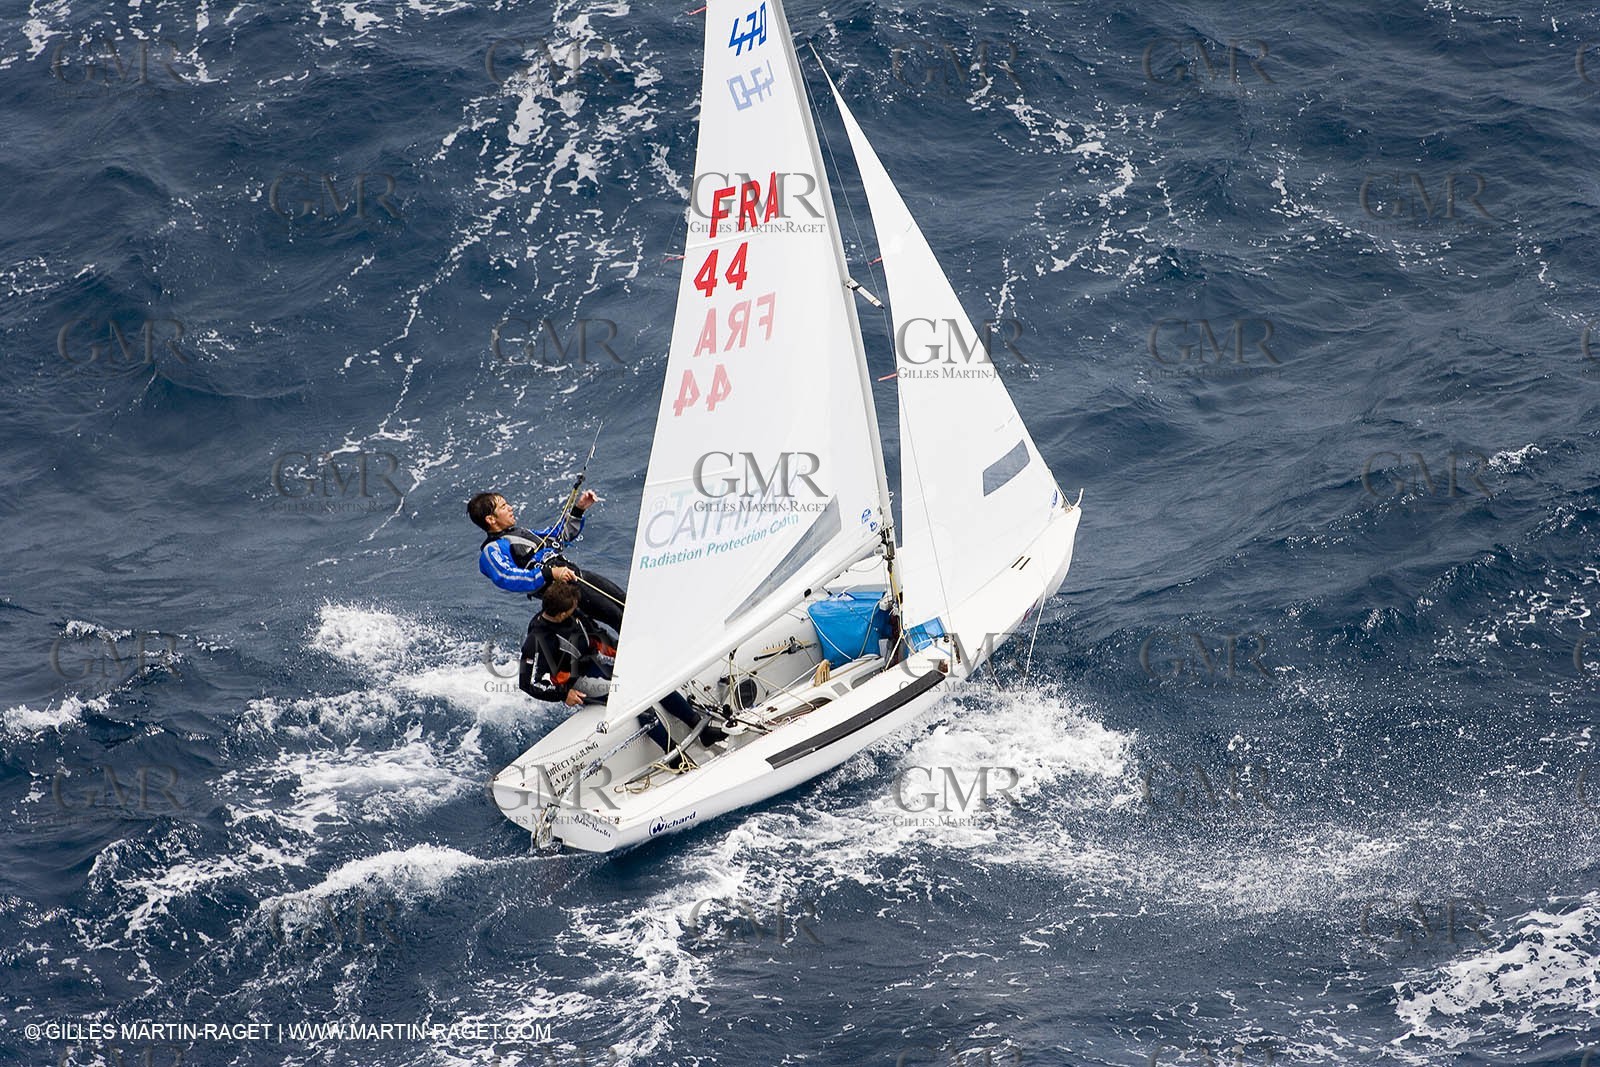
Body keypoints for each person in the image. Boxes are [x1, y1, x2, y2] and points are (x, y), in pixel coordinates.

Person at [517, 582, 721, 761]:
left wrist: (624, 652)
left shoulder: (573, 613)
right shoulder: (537, 639)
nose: (576, 609)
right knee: (632, 699)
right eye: (572, 608)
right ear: (561, 614)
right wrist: (563, 694)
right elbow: (528, 683)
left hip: (594, 662)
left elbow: (596, 634)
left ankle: (700, 728)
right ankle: (676, 755)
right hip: (576, 681)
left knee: (651, 680)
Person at [468, 489, 627, 633]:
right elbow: (508, 577)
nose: (510, 507)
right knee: (619, 618)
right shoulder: (492, 550)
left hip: (578, 576)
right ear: (490, 519)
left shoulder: (520, 533)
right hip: (564, 593)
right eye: (503, 507)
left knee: (626, 603)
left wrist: (579, 509)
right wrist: (549, 572)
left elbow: (557, 537)